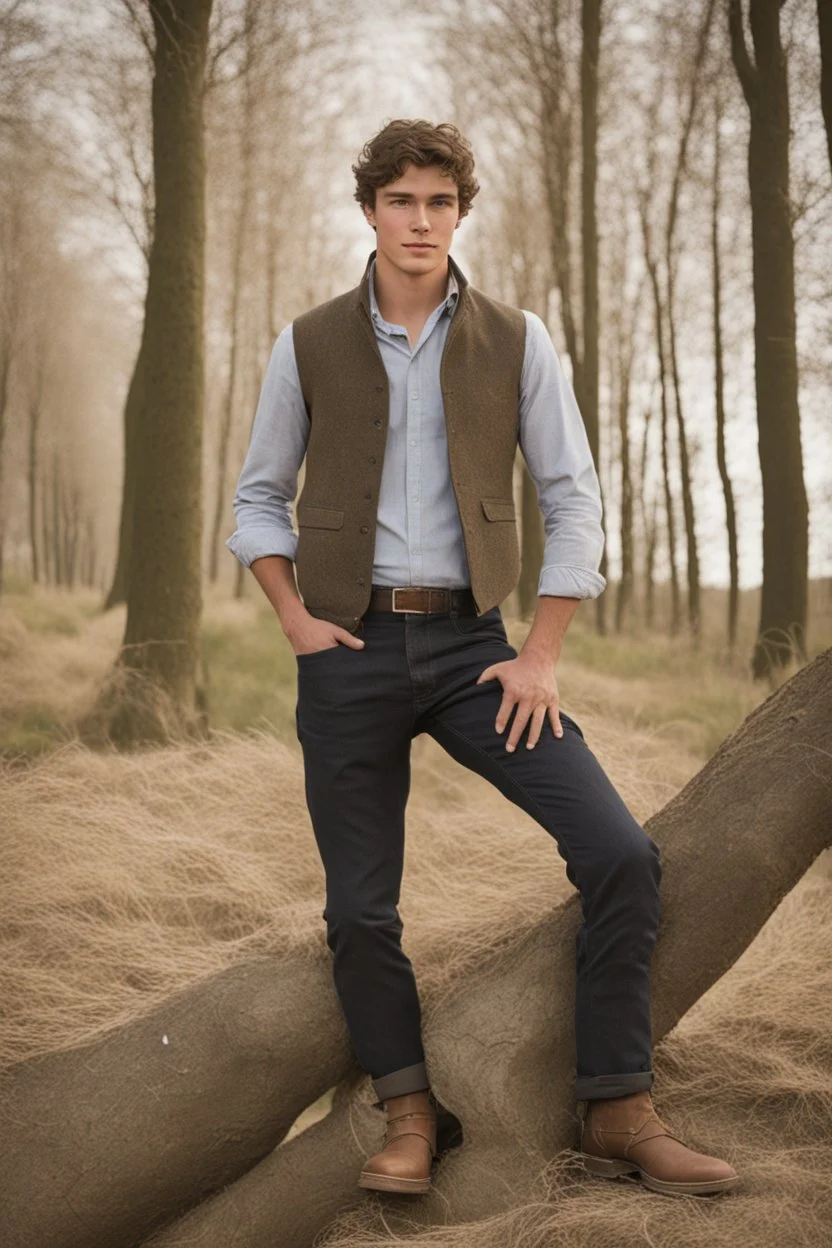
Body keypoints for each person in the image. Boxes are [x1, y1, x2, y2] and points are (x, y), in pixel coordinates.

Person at [225, 118, 738, 1199]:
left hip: (476, 651)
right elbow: (258, 496)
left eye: (440, 202)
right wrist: (292, 618)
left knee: (618, 854)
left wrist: (540, 653)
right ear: (369, 208)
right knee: (360, 910)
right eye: (401, 200)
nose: (420, 221)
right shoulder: (308, 341)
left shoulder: (518, 337)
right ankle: (408, 1115)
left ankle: (616, 1105)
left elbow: (571, 496)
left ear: (461, 213)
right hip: (350, 648)